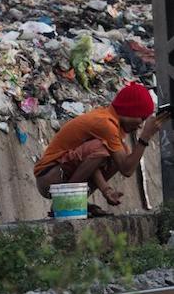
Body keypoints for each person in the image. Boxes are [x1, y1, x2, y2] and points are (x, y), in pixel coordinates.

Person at [34, 82, 170, 215]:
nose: (140, 125)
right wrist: (145, 137)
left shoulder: (109, 122)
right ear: (130, 111)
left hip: (57, 176)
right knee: (104, 150)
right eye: (142, 119)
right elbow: (126, 169)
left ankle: (73, 201)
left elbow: (90, 164)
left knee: (120, 154)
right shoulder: (106, 124)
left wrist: (107, 191)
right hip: (48, 176)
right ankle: (67, 202)